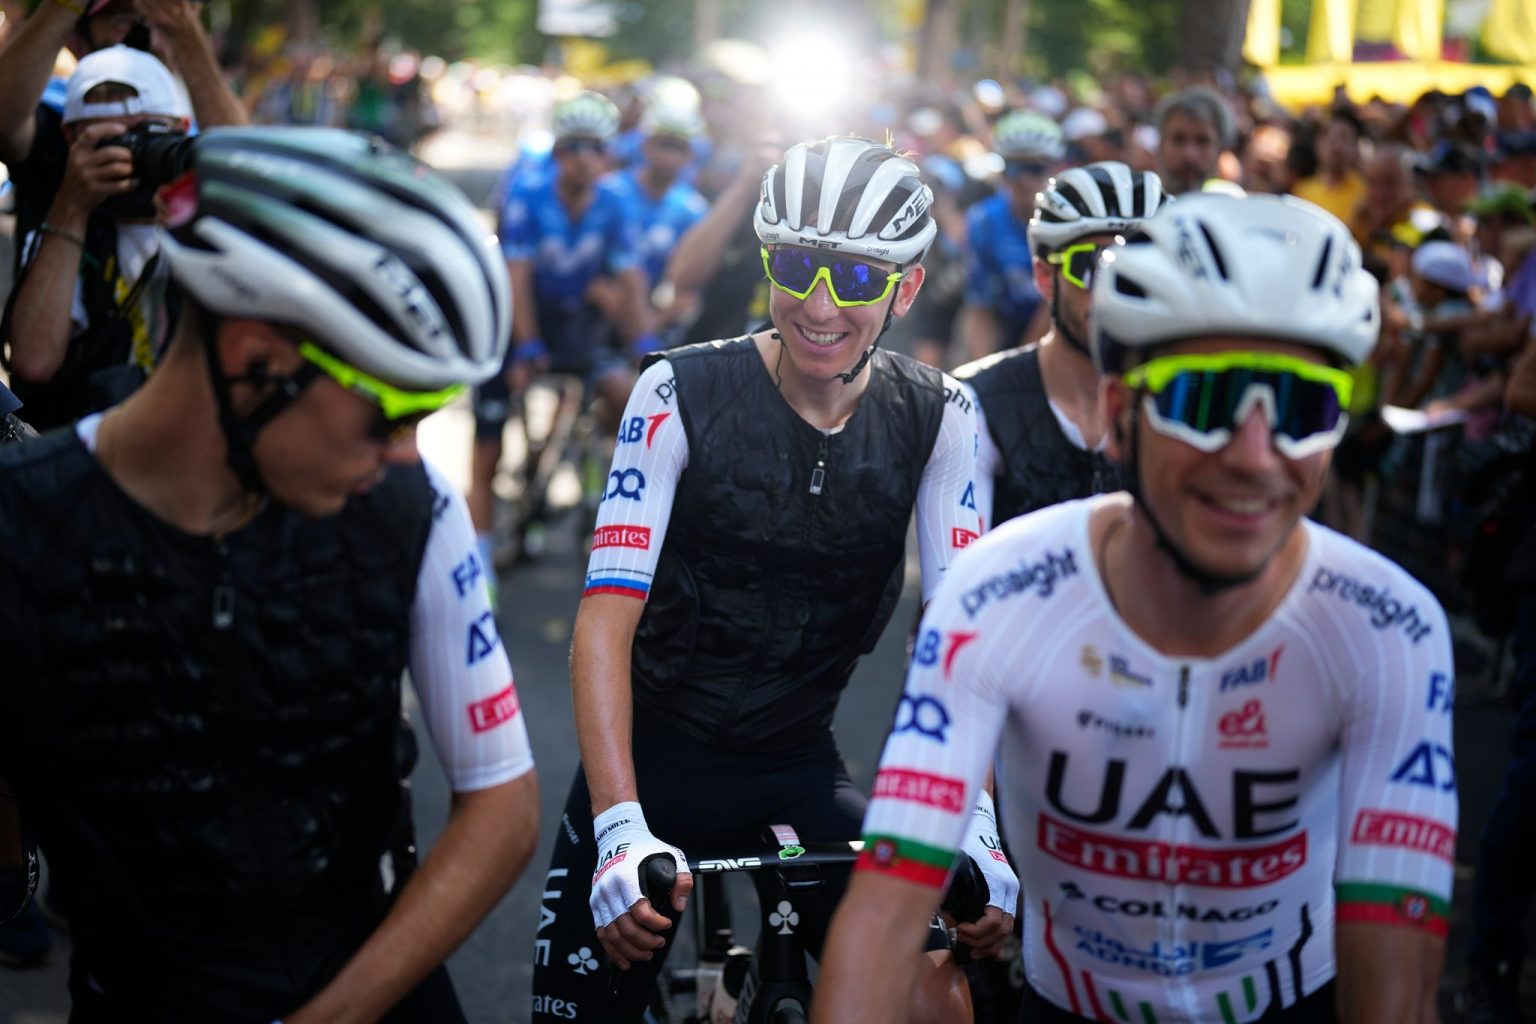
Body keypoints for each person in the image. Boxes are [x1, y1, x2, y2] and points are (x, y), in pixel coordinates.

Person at [815, 193, 1457, 1024]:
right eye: (1201, 400)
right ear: (1121, 417)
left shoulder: (1387, 629)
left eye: (1303, 408)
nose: (1256, 459)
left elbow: (1393, 988)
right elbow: (884, 917)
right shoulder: (1000, 594)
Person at [0, 126, 538, 1021]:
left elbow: (503, 804)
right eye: (392, 412)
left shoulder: (412, 506)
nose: (409, 456)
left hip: (382, 991)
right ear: (257, 362)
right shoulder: (21, 530)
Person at [529, 135, 1009, 1022]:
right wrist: (620, 822)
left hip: (796, 763)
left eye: (859, 281)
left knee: (938, 994)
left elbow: (958, 647)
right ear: (769, 265)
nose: (821, 305)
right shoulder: (675, 391)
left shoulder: (943, 416)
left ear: (905, 289)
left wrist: (973, 821)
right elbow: (606, 617)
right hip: (651, 758)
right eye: (799, 268)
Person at [469, 89, 651, 567]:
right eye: (573, 147)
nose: (584, 159)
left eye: (596, 147)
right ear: (557, 152)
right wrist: (526, 346)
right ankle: (480, 554)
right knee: (487, 439)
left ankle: (600, 496)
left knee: (625, 390)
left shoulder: (615, 202)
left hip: (572, 317)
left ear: (609, 155)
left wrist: (647, 344)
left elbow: (630, 278)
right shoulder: (526, 192)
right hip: (514, 315)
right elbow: (518, 275)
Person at [955, 161, 1167, 530]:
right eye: (1091, 265)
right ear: (1044, 276)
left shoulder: (1188, 405)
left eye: (1138, 270)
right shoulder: (972, 405)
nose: (1111, 292)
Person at [2, 44, 188, 431]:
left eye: (146, 135)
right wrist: (73, 205)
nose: (131, 154)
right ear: (71, 139)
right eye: (111, 142)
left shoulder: (205, 224)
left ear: (182, 130)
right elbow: (34, 362)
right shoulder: (62, 227)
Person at [0, 0, 246, 282]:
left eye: (153, 23)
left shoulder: (195, 134)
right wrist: (62, 6)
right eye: (122, 21)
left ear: (181, 127)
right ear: (77, 42)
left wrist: (182, 30)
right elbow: (5, 126)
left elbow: (241, 168)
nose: (142, 37)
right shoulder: (56, 119)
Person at [960, 109, 1064, 360]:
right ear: (1002, 171)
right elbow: (980, 307)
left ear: (1053, 169)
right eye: (1015, 169)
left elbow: (1053, 310)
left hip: (1059, 329)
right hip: (1008, 322)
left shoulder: (1069, 221)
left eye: (1036, 169)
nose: (1026, 180)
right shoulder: (984, 220)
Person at [1154, 85, 1233, 196]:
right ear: (1161, 145)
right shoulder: (1134, 208)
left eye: (1202, 141)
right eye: (1178, 140)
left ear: (1220, 149)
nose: (1189, 155)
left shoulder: (1231, 207)